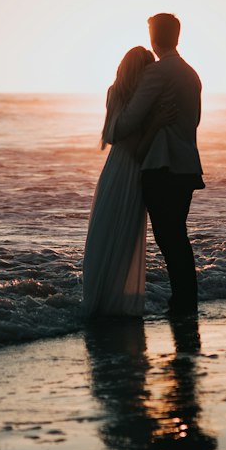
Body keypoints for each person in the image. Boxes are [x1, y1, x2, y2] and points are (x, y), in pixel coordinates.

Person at [110, 13, 204, 315]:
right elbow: (196, 121)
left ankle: (183, 303)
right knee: (177, 235)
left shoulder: (158, 73)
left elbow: (126, 123)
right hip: (188, 166)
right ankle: (185, 300)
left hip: (162, 168)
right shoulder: (191, 74)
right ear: (177, 37)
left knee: (169, 237)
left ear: (153, 37)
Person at [82, 46, 156, 316]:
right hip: (133, 169)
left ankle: (99, 297)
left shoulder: (116, 92)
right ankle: (113, 300)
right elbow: (119, 134)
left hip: (115, 167)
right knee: (123, 234)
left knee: (106, 231)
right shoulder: (143, 99)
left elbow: (110, 135)